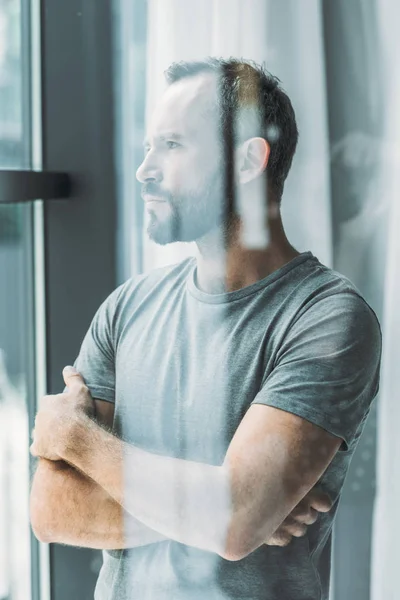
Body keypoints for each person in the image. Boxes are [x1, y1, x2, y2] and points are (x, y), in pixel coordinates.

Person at [29, 58, 381, 600]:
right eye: (148, 147)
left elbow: (234, 520)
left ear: (246, 160)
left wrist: (77, 438)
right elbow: (52, 511)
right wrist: (215, 508)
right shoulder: (127, 308)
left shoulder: (328, 317)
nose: (145, 169)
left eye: (172, 146)